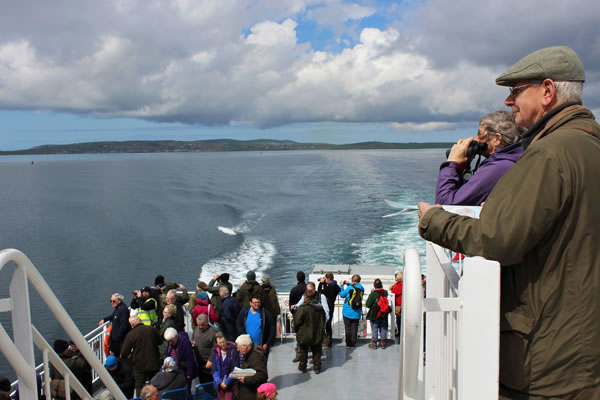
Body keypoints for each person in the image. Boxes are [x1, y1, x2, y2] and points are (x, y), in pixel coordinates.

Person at [418, 46, 600, 399]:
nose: (508, 101)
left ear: (547, 91)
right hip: (583, 341)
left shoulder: (549, 153)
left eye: (516, 91)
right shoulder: (588, 145)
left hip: (550, 356)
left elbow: (499, 239)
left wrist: (433, 220)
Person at [436, 111, 524, 205]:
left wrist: (451, 164)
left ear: (497, 139)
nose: (476, 139)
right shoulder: (516, 159)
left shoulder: (498, 167)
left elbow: (445, 204)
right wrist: (462, 166)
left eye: (480, 135)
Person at [120, 315, 161, 395]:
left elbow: (124, 352)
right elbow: (160, 341)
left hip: (139, 366)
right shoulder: (151, 329)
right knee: (155, 384)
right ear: (140, 320)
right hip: (154, 362)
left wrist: (130, 355)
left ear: (132, 324)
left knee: (139, 386)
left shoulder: (131, 334)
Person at [293, 286, 326, 374]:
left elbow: (297, 321)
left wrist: (296, 330)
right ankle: (317, 368)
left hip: (305, 333)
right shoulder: (320, 308)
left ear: (305, 297)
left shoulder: (303, 309)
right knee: (317, 351)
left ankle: (302, 367)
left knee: (303, 351)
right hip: (317, 332)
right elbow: (324, 318)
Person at [236, 295, 275, 359]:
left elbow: (272, 329)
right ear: (250, 303)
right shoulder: (244, 312)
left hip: (260, 347)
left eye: (258, 302)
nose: (257, 304)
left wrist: (267, 343)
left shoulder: (265, 313)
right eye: (255, 303)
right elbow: (238, 325)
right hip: (247, 346)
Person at [235, 335, 268, 400]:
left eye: (238, 347)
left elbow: (262, 376)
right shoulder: (247, 355)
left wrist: (245, 379)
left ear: (245, 346)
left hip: (252, 394)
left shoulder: (256, 357)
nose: (237, 350)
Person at [99, 293, 131, 357]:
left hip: (120, 340)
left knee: (120, 357)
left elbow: (124, 325)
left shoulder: (123, 309)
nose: (112, 302)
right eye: (111, 301)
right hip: (116, 340)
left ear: (119, 301)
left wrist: (117, 337)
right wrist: (104, 319)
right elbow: (113, 316)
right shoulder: (118, 308)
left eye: (114, 301)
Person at [211, 331, 240, 400]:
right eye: (220, 343)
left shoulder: (233, 351)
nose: (222, 344)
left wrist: (226, 382)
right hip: (219, 384)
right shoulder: (215, 352)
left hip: (230, 383)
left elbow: (235, 369)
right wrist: (219, 382)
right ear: (217, 343)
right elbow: (214, 369)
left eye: (223, 341)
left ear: (226, 340)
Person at [339, 274, 364, 349]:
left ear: (352, 280)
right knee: (354, 328)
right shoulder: (362, 288)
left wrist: (342, 286)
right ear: (359, 281)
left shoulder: (349, 288)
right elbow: (355, 288)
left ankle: (348, 344)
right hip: (357, 312)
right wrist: (349, 283)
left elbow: (342, 295)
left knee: (348, 328)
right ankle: (353, 344)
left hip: (347, 311)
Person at [192, 314, 217, 383]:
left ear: (207, 323)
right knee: (202, 380)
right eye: (198, 325)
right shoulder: (196, 329)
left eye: (202, 325)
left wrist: (210, 360)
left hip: (208, 362)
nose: (200, 327)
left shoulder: (212, 332)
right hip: (199, 360)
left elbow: (215, 347)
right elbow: (193, 338)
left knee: (209, 382)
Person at [317, 273, 340, 347]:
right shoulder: (336, 286)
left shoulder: (329, 287)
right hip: (331, 306)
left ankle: (325, 341)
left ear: (328, 279)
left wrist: (321, 283)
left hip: (326, 307)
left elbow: (320, 292)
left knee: (324, 324)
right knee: (328, 325)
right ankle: (329, 341)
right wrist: (324, 284)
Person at [365, 278, 389, 349]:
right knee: (383, 328)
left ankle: (374, 343)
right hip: (383, 313)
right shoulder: (385, 292)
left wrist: (372, 293)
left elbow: (368, 304)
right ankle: (383, 343)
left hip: (374, 314)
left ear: (374, 285)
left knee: (375, 328)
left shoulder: (373, 294)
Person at [389, 271, 403, 338]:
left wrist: (392, 288)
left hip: (399, 305)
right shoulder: (400, 284)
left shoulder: (400, 285)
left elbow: (395, 291)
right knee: (399, 319)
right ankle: (400, 331)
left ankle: (400, 332)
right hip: (399, 304)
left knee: (399, 319)